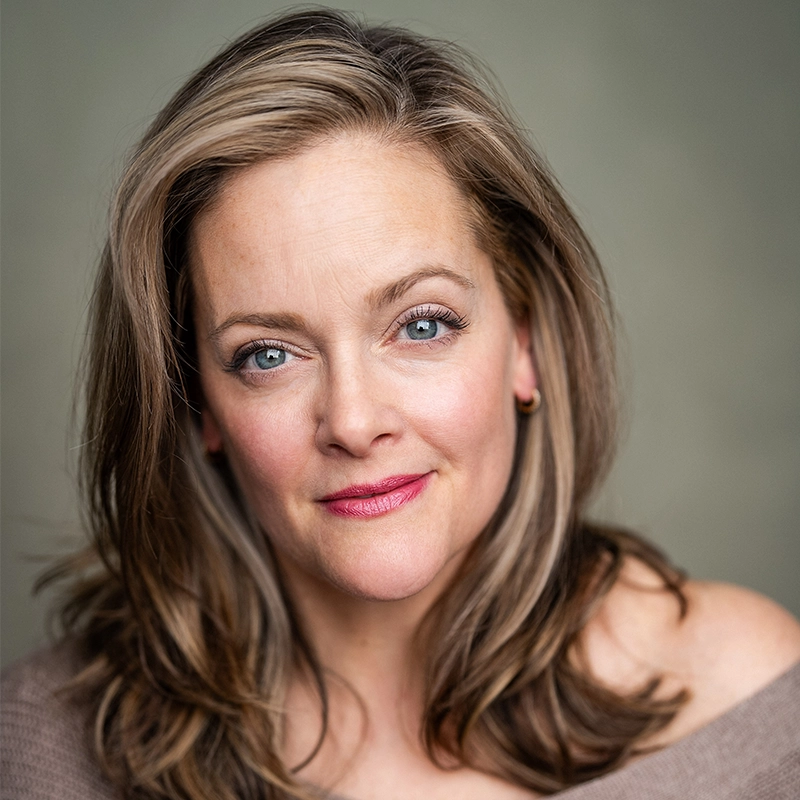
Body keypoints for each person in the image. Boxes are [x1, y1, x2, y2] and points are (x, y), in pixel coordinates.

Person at [2, 9, 799, 799]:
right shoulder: (46, 748)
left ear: (525, 341)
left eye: (421, 325)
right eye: (268, 355)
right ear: (199, 403)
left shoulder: (751, 706)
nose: (353, 421)